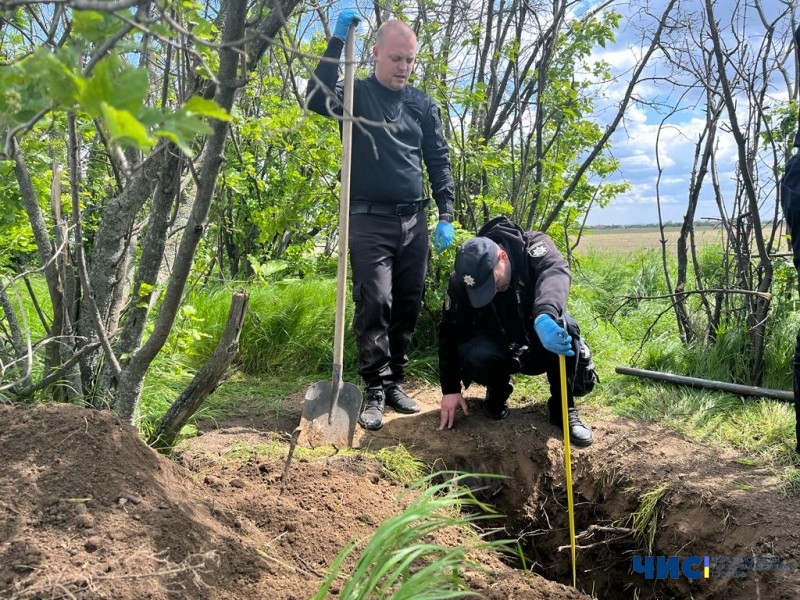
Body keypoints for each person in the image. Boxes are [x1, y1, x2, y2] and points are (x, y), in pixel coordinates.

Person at [306, 11, 456, 431]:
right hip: (367, 219)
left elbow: (438, 160)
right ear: (374, 55)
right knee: (376, 300)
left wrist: (445, 212)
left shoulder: (422, 105)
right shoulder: (355, 94)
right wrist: (336, 40)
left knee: (407, 303)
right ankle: (373, 388)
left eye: (409, 60)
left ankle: (394, 383)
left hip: (415, 221)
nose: (403, 67)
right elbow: (314, 98)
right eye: (396, 59)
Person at [437, 216, 597, 447]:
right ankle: (497, 392)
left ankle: (563, 408)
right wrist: (450, 389)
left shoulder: (532, 247)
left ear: (502, 256)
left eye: (492, 281)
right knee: (473, 351)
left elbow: (555, 272)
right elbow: (448, 333)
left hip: (539, 339)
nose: (490, 292)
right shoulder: (463, 280)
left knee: (566, 327)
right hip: (497, 345)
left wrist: (545, 315)